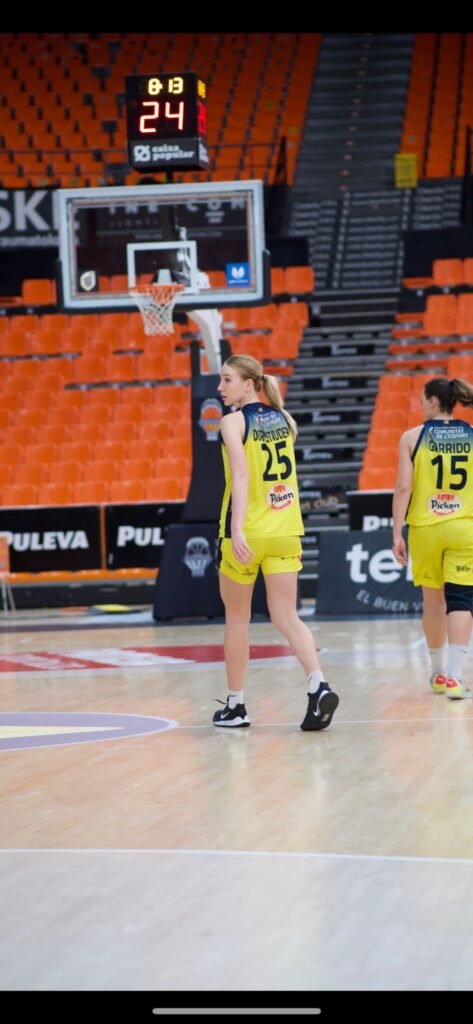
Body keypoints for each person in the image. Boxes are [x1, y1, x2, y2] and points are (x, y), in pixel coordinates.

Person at [212, 354, 339, 730]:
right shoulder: (285, 419)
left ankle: (236, 706)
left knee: (237, 619)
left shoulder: (232, 421)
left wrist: (236, 529)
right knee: (287, 616)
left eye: (227, 379)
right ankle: (318, 684)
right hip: (285, 529)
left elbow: (241, 475)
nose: (220, 387)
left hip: (248, 532)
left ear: (249, 384)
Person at [392, 376, 473, 699]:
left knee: (433, 603)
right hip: (464, 527)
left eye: (422, 400)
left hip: (425, 527)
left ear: (432, 401)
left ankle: (438, 673)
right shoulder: (471, 434)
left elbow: (403, 488)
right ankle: (455, 678)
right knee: (461, 601)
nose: (420, 405)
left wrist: (396, 532)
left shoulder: (411, 437)